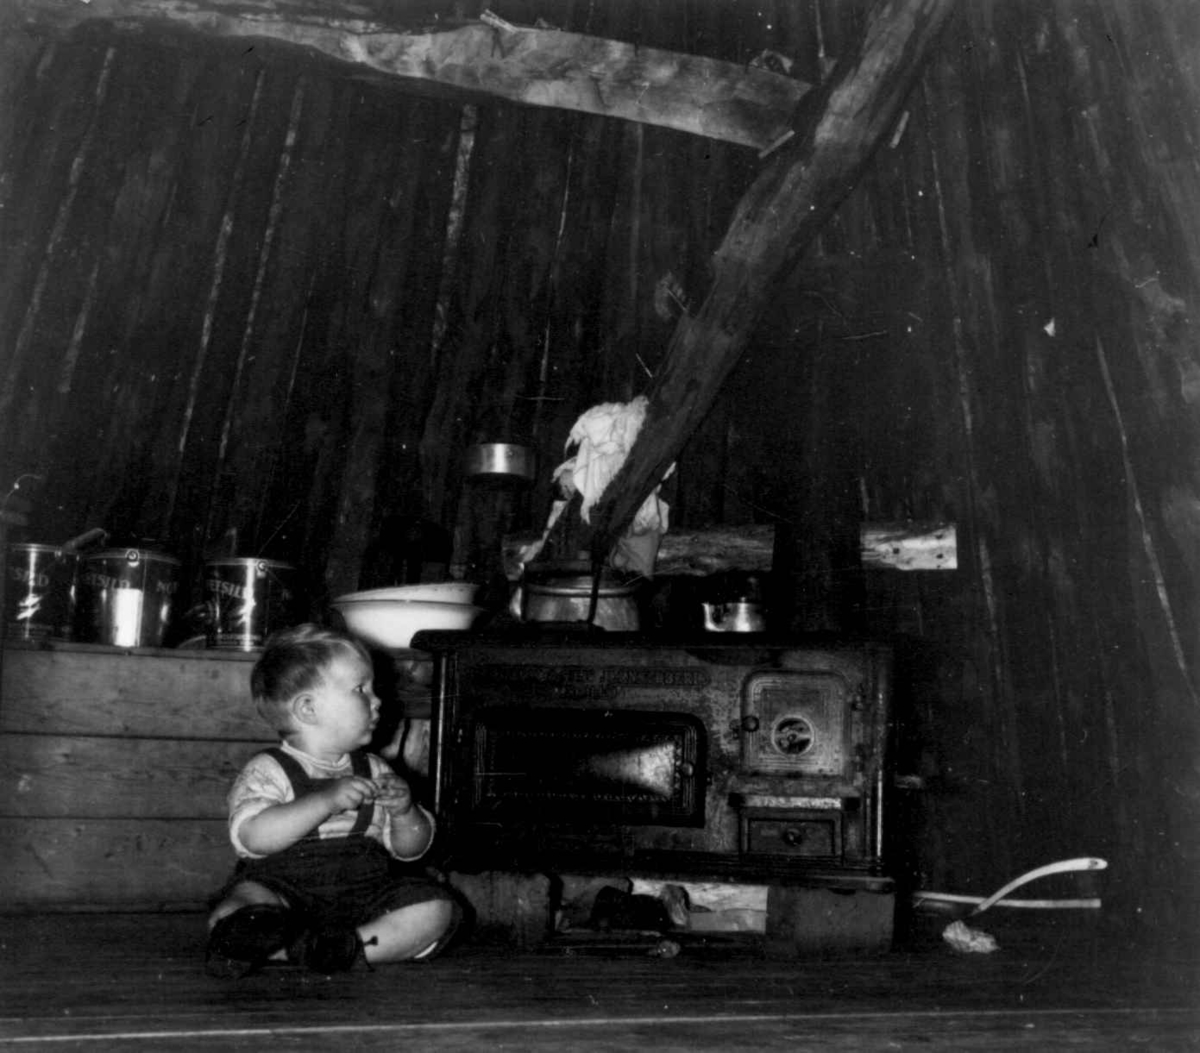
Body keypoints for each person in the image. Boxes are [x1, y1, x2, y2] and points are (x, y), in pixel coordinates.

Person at [204, 623, 462, 978]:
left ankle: (338, 947)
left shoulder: (375, 769)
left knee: (436, 908)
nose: (377, 700)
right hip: (284, 891)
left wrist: (405, 813)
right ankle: (276, 941)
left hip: (364, 894)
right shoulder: (269, 769)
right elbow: (252, 838)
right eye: (361, 689)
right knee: (242, 904)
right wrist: (326, 800)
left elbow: (411, 850)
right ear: (308, 709)